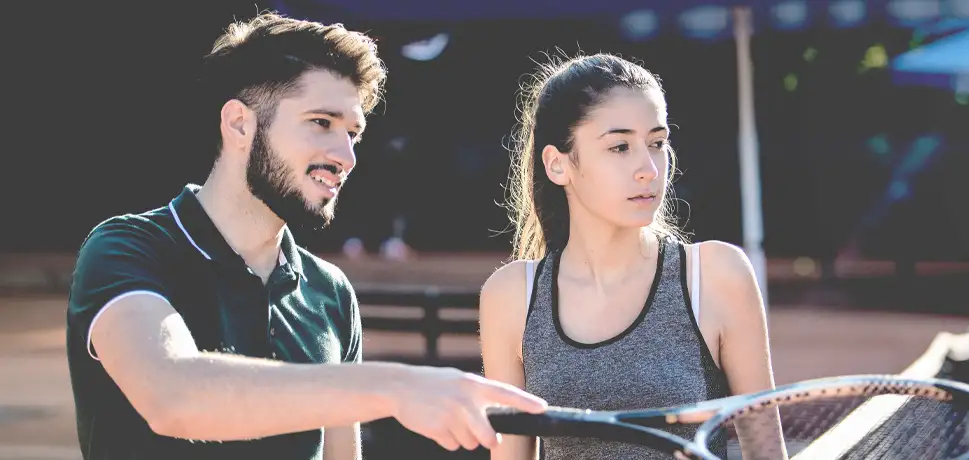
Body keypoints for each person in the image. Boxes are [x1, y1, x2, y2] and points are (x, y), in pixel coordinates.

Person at [65, 12, 546, 460]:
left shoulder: (329, 292)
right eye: (321, 123)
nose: (346, 155)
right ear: (239, 124)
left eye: (353, 133)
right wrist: (398, 386)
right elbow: (171, 396)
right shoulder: (126, 248)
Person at [478, 53, 788, 460]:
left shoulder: (714, 275)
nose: (649, 169)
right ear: (558, 165)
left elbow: (766, 452)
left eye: (657, 144)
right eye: (620, 147)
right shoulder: (510, 294)